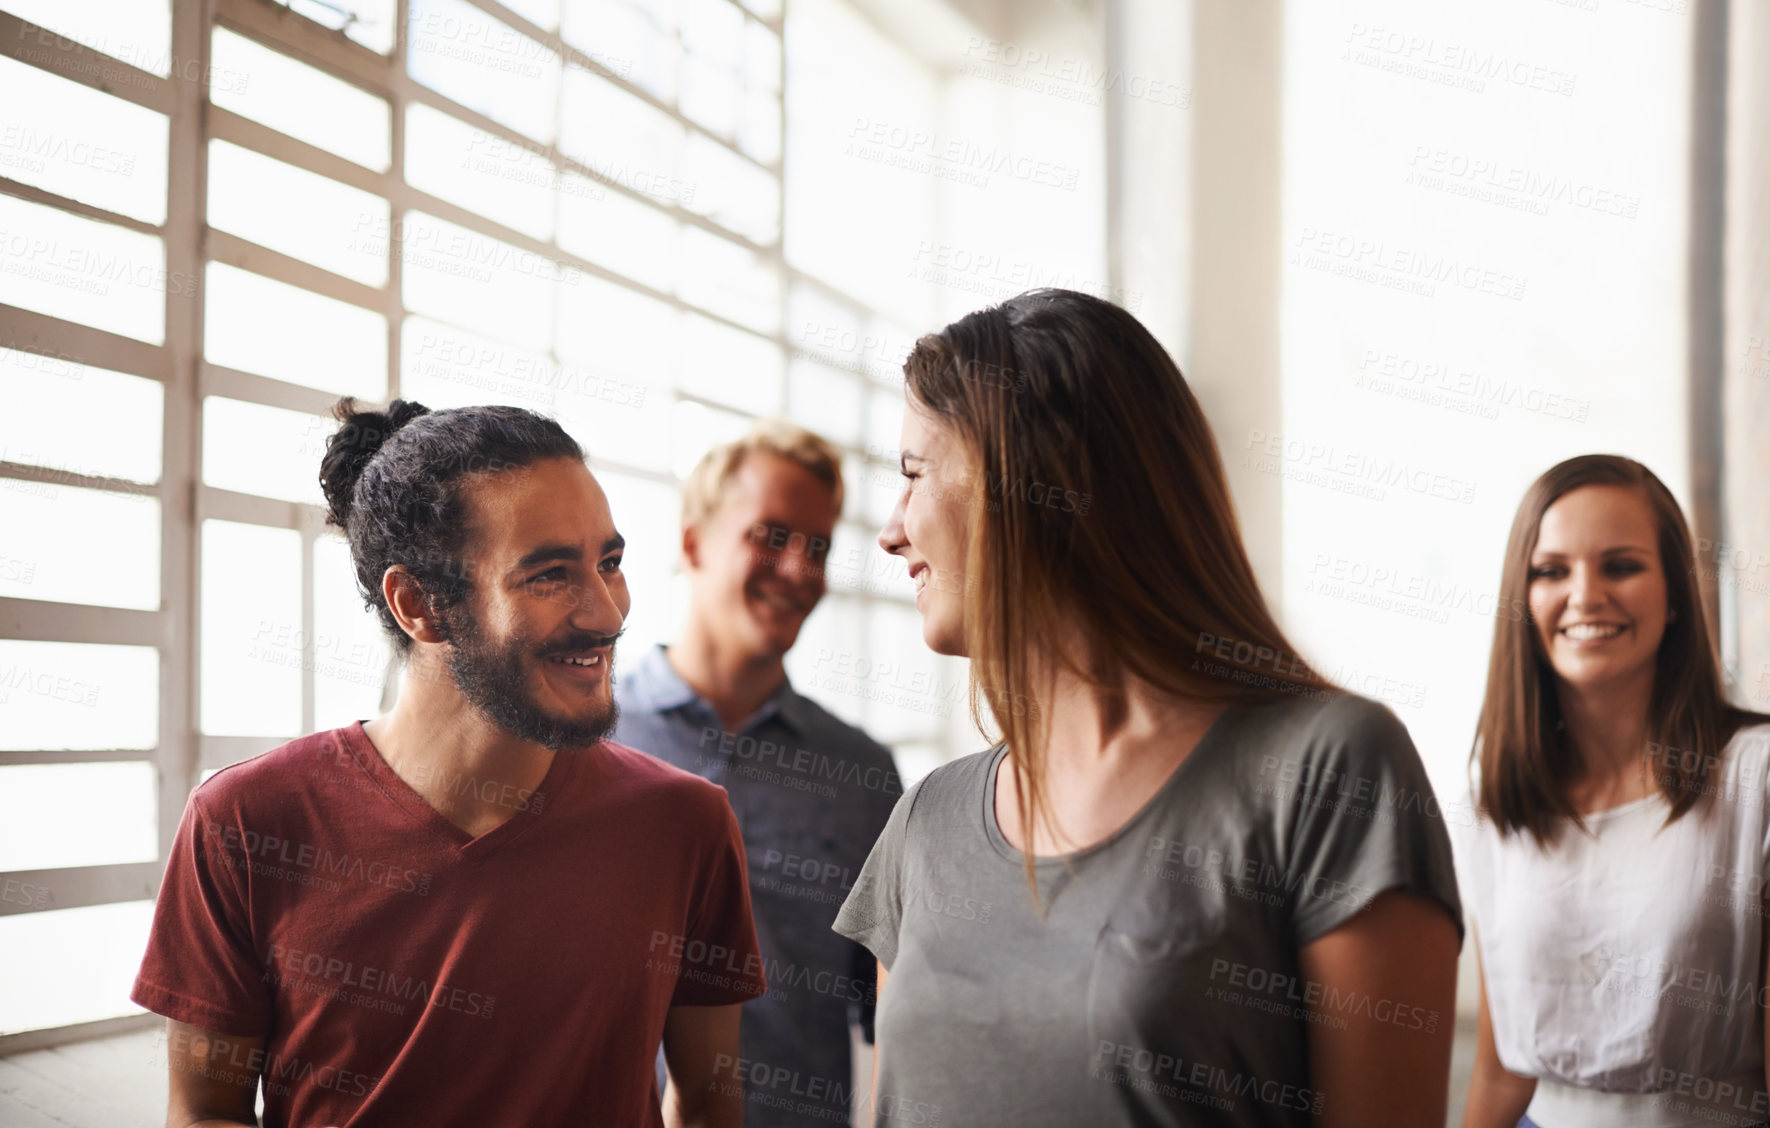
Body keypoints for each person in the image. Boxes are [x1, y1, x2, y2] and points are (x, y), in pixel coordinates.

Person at [832, 288, 1464, 1128]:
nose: (891, 529)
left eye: (913, 475)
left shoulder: (1326, 770)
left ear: (1031, 480)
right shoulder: (925, 825)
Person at [132, 398, 766, 1128]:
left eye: (609, 563)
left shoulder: (685, 824)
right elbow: (207, 1112)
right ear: (419, 603)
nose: (606, 611)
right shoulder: (243, 823)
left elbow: (711, 1105)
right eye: (549, 574)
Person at [1454, 454, 1770, 1128]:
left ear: (1677, 594)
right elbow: (1503, 1066)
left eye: (1621, 565)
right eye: (1551, 571)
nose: (1586, 595)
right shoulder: (1498, 794)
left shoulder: (1757, 778)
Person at [615, 419, 901, 1127]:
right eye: (771, 536)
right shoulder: (587, 738)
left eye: (820, 547)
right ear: (692, 543)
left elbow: (901, 1028)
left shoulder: (863, 776)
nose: (801, 570)